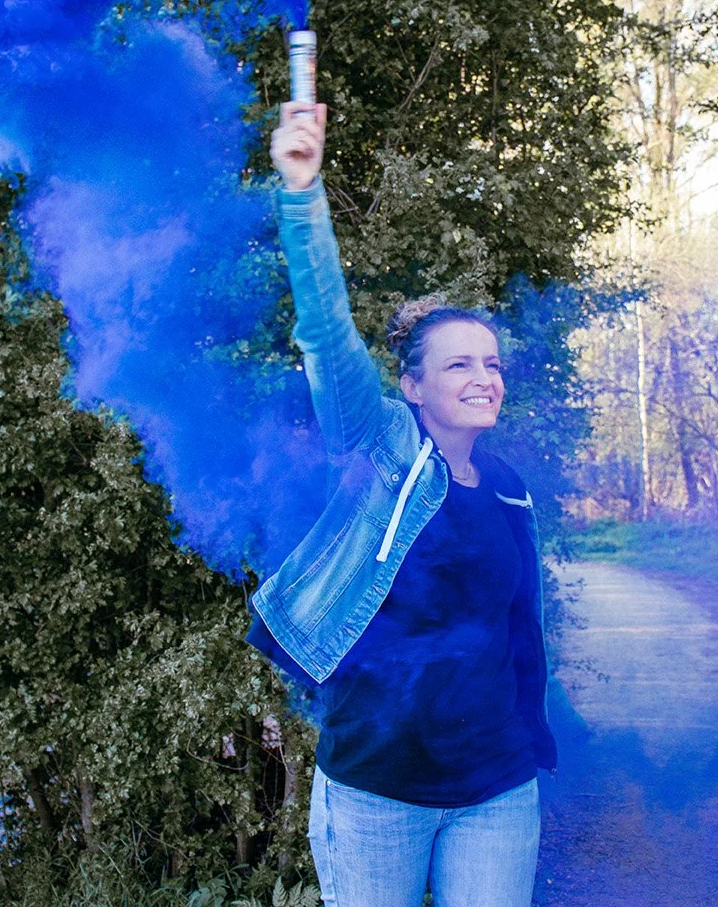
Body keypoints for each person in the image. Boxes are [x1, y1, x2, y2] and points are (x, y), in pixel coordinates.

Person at [245, 100, 557, 907]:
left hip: (495, 787)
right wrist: (302, 192)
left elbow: (520, 629)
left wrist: (530, 734)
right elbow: (325, 330)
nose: (483, 377)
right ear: (412, 386)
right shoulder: (382, 448)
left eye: (490, 362)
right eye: (458, 366)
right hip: (377, 789)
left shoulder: (513, 488)